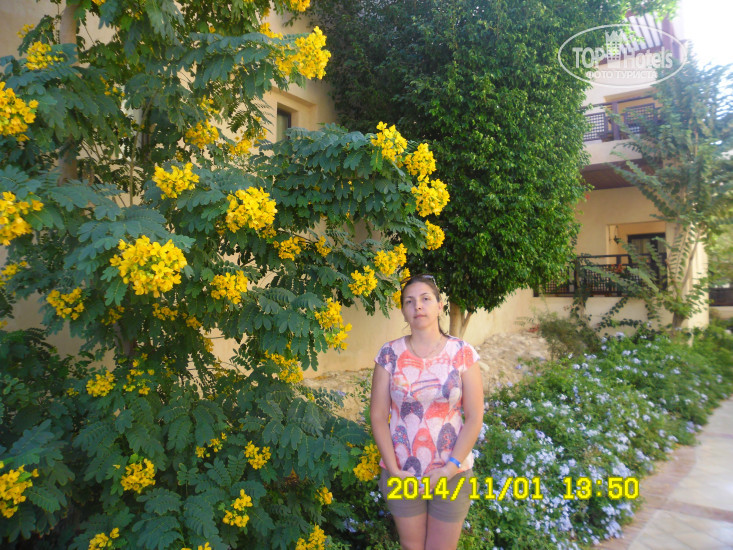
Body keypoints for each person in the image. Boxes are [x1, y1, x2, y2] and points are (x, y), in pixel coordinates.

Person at [370, 274, 484, 550]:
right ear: (403, 311)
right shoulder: (389, 354)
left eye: (425, 299)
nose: (417, 306)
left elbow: (475, 417)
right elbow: (378, 416)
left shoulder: (462, 353)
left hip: (452, 473)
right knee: (412, 547)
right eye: (409, 302)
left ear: (440, 305)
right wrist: (394, 471)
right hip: (402, 474)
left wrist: (450, 468)